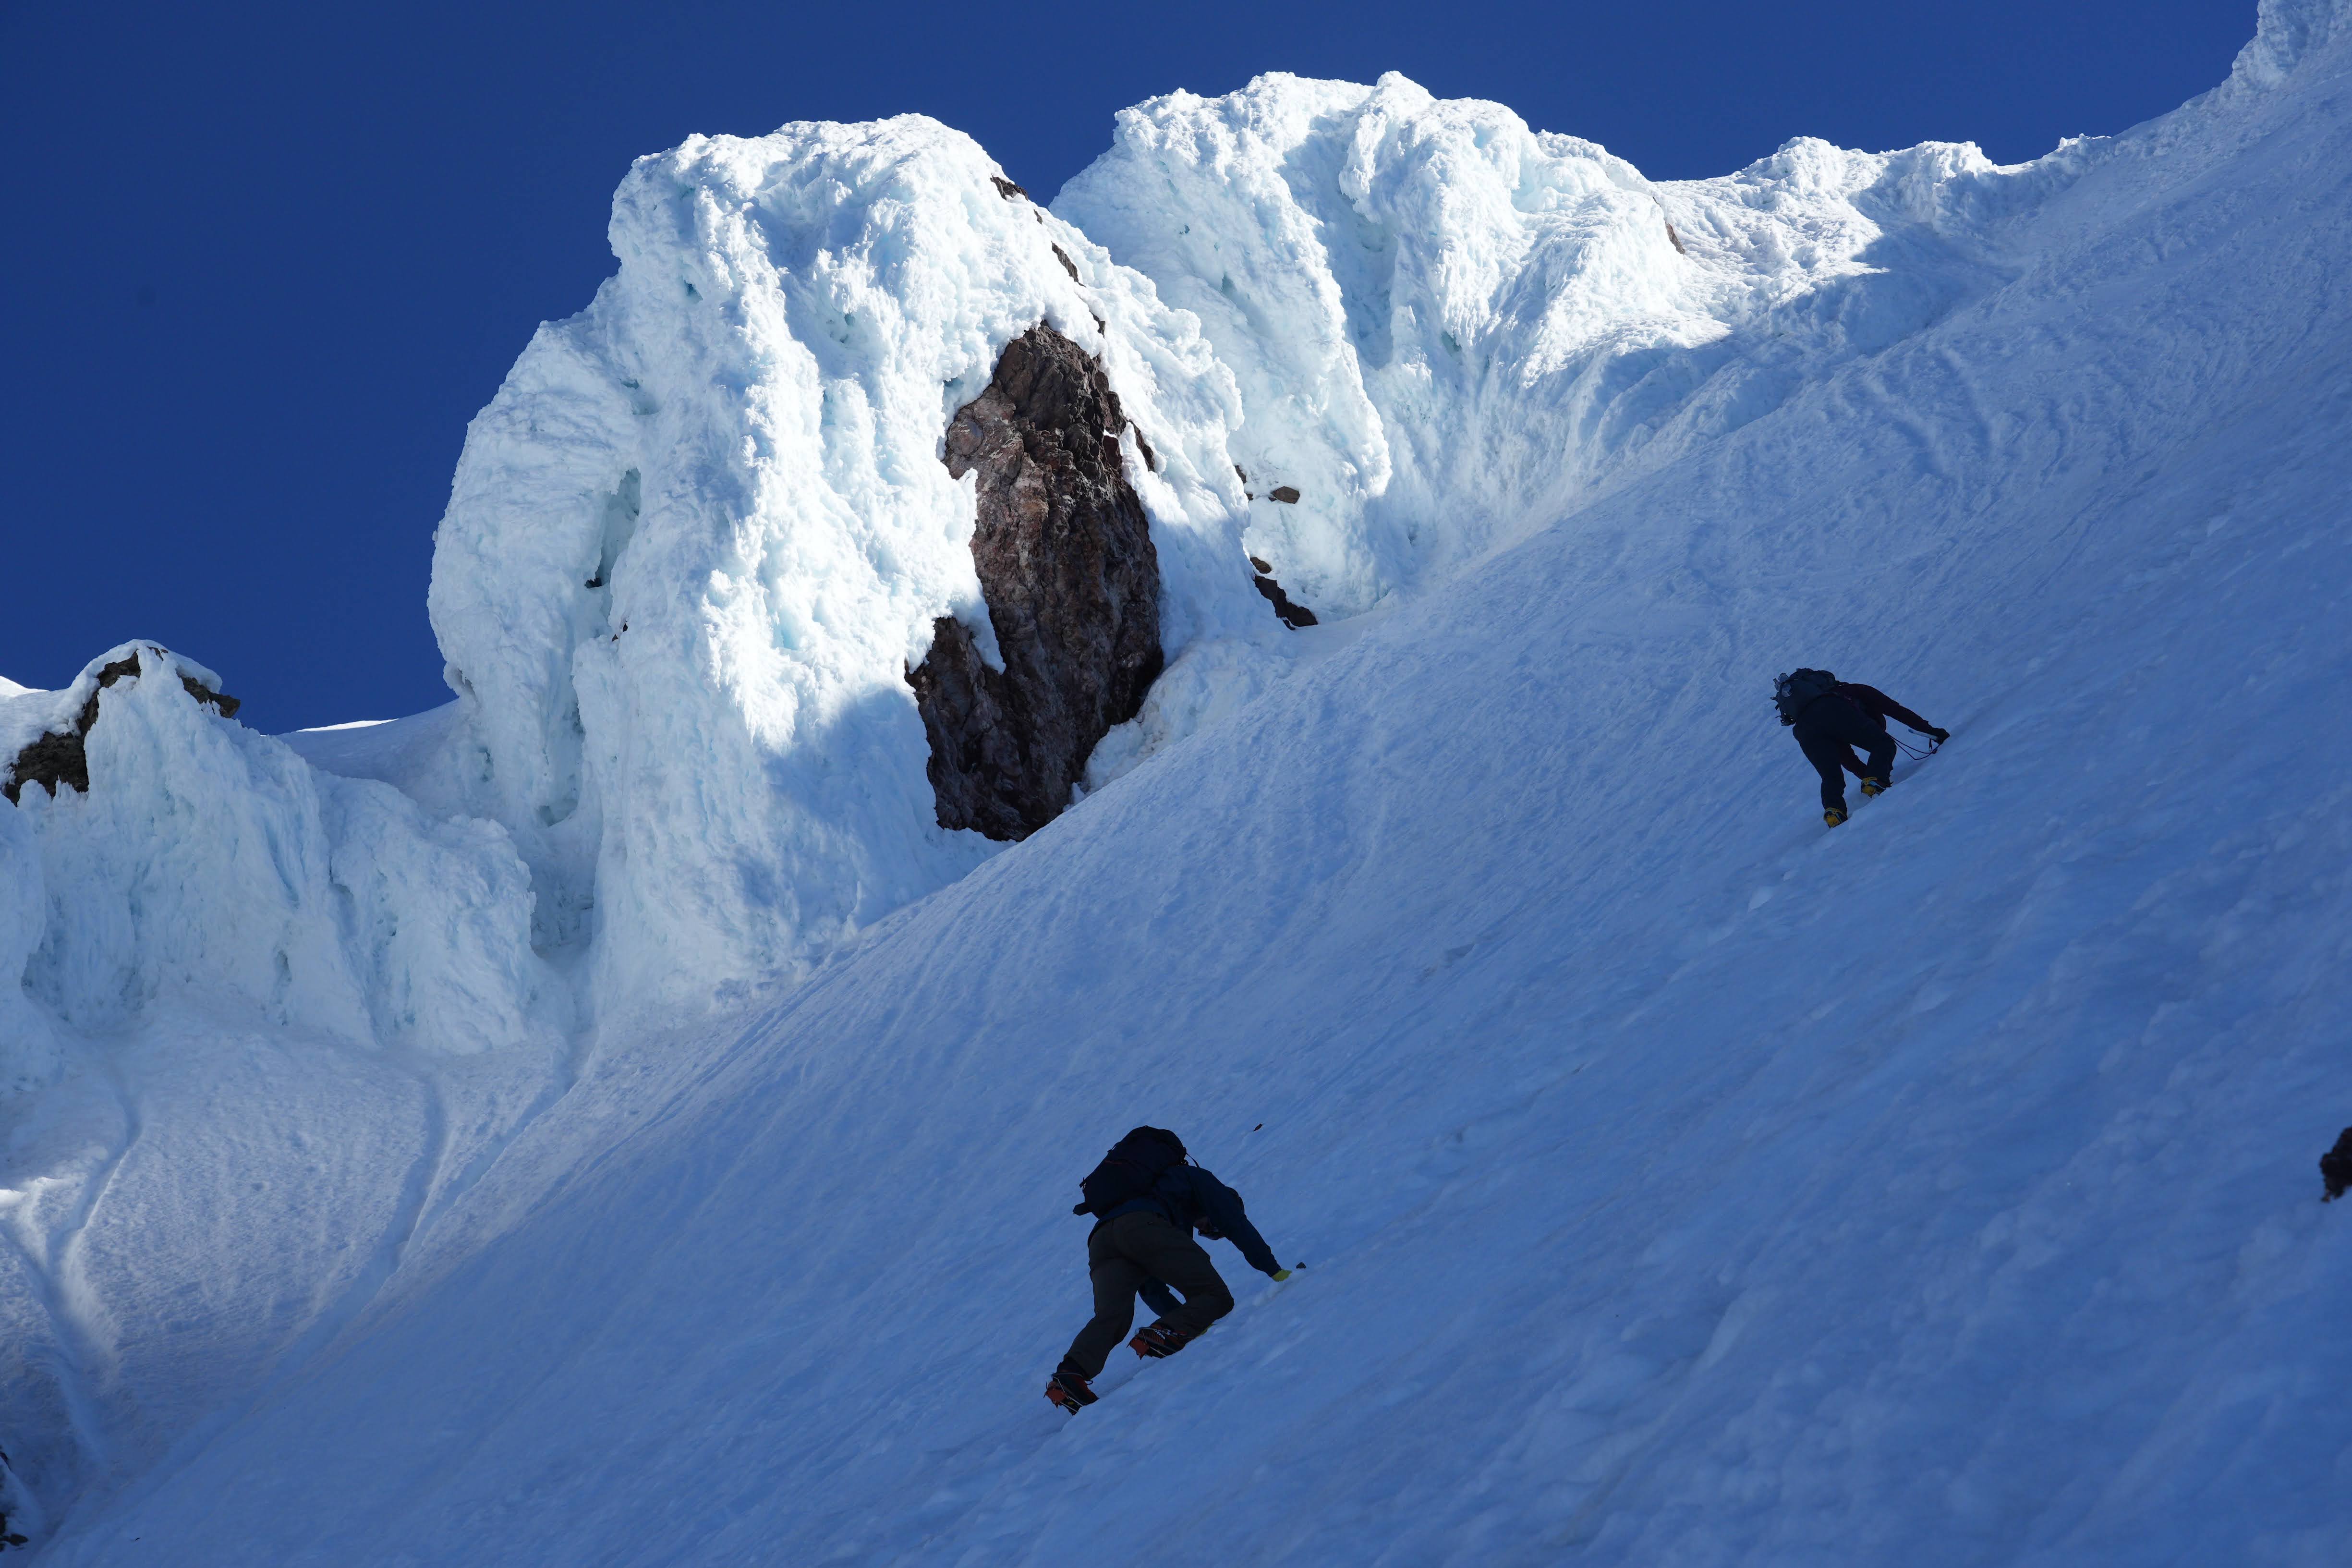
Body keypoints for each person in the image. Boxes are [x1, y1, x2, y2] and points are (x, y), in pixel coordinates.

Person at [1046, 1127, 1291, 1412]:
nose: (1207, 1231)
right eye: (1212, 1229)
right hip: (1141, 1226)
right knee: (1215, 1295)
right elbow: (1237, 1225)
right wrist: (1276, 1272)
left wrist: (1185, 1323)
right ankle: (1163, 1334)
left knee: (1112, 1316)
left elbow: (1150, 1286)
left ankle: (1070, 1374)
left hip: (1101, 1240)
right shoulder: (1198, 1182)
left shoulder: (1161, 1202)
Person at [1772, 669, 1948, 827]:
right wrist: (1931, 731)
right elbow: (1896, 710)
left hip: (1803, 730)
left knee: (1830, 775)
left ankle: (1834, 811)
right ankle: (1874, 782)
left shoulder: (1816, 707)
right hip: (1832, 711)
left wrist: (1870, 775)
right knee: (1883, 744)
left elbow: (1847, 759)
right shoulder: (1853, 692)